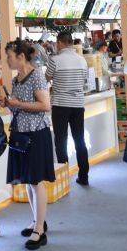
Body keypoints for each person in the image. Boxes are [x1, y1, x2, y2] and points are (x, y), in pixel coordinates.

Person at [0, 40, 54, 250]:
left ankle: (39, 229)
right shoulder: (17, 80)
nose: (7, 60)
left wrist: (18, 104)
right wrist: (10, 105)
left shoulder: (37, 76)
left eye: (10, 56)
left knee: (36, 181)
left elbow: (45, 105)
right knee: (29, 181)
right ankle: (36, 220)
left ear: (21, 57)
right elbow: (18, 108)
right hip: (21, 135)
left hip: (37, 134)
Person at [45, 31, 90, 186]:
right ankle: (84, 176)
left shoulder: (54, 60)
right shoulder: (82, 60)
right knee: (80, 140)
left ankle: (64, 178)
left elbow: (47, 79)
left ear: (59, 43)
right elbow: (84, 80)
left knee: (61, 140)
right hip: (78, 104)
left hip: (60, 105)